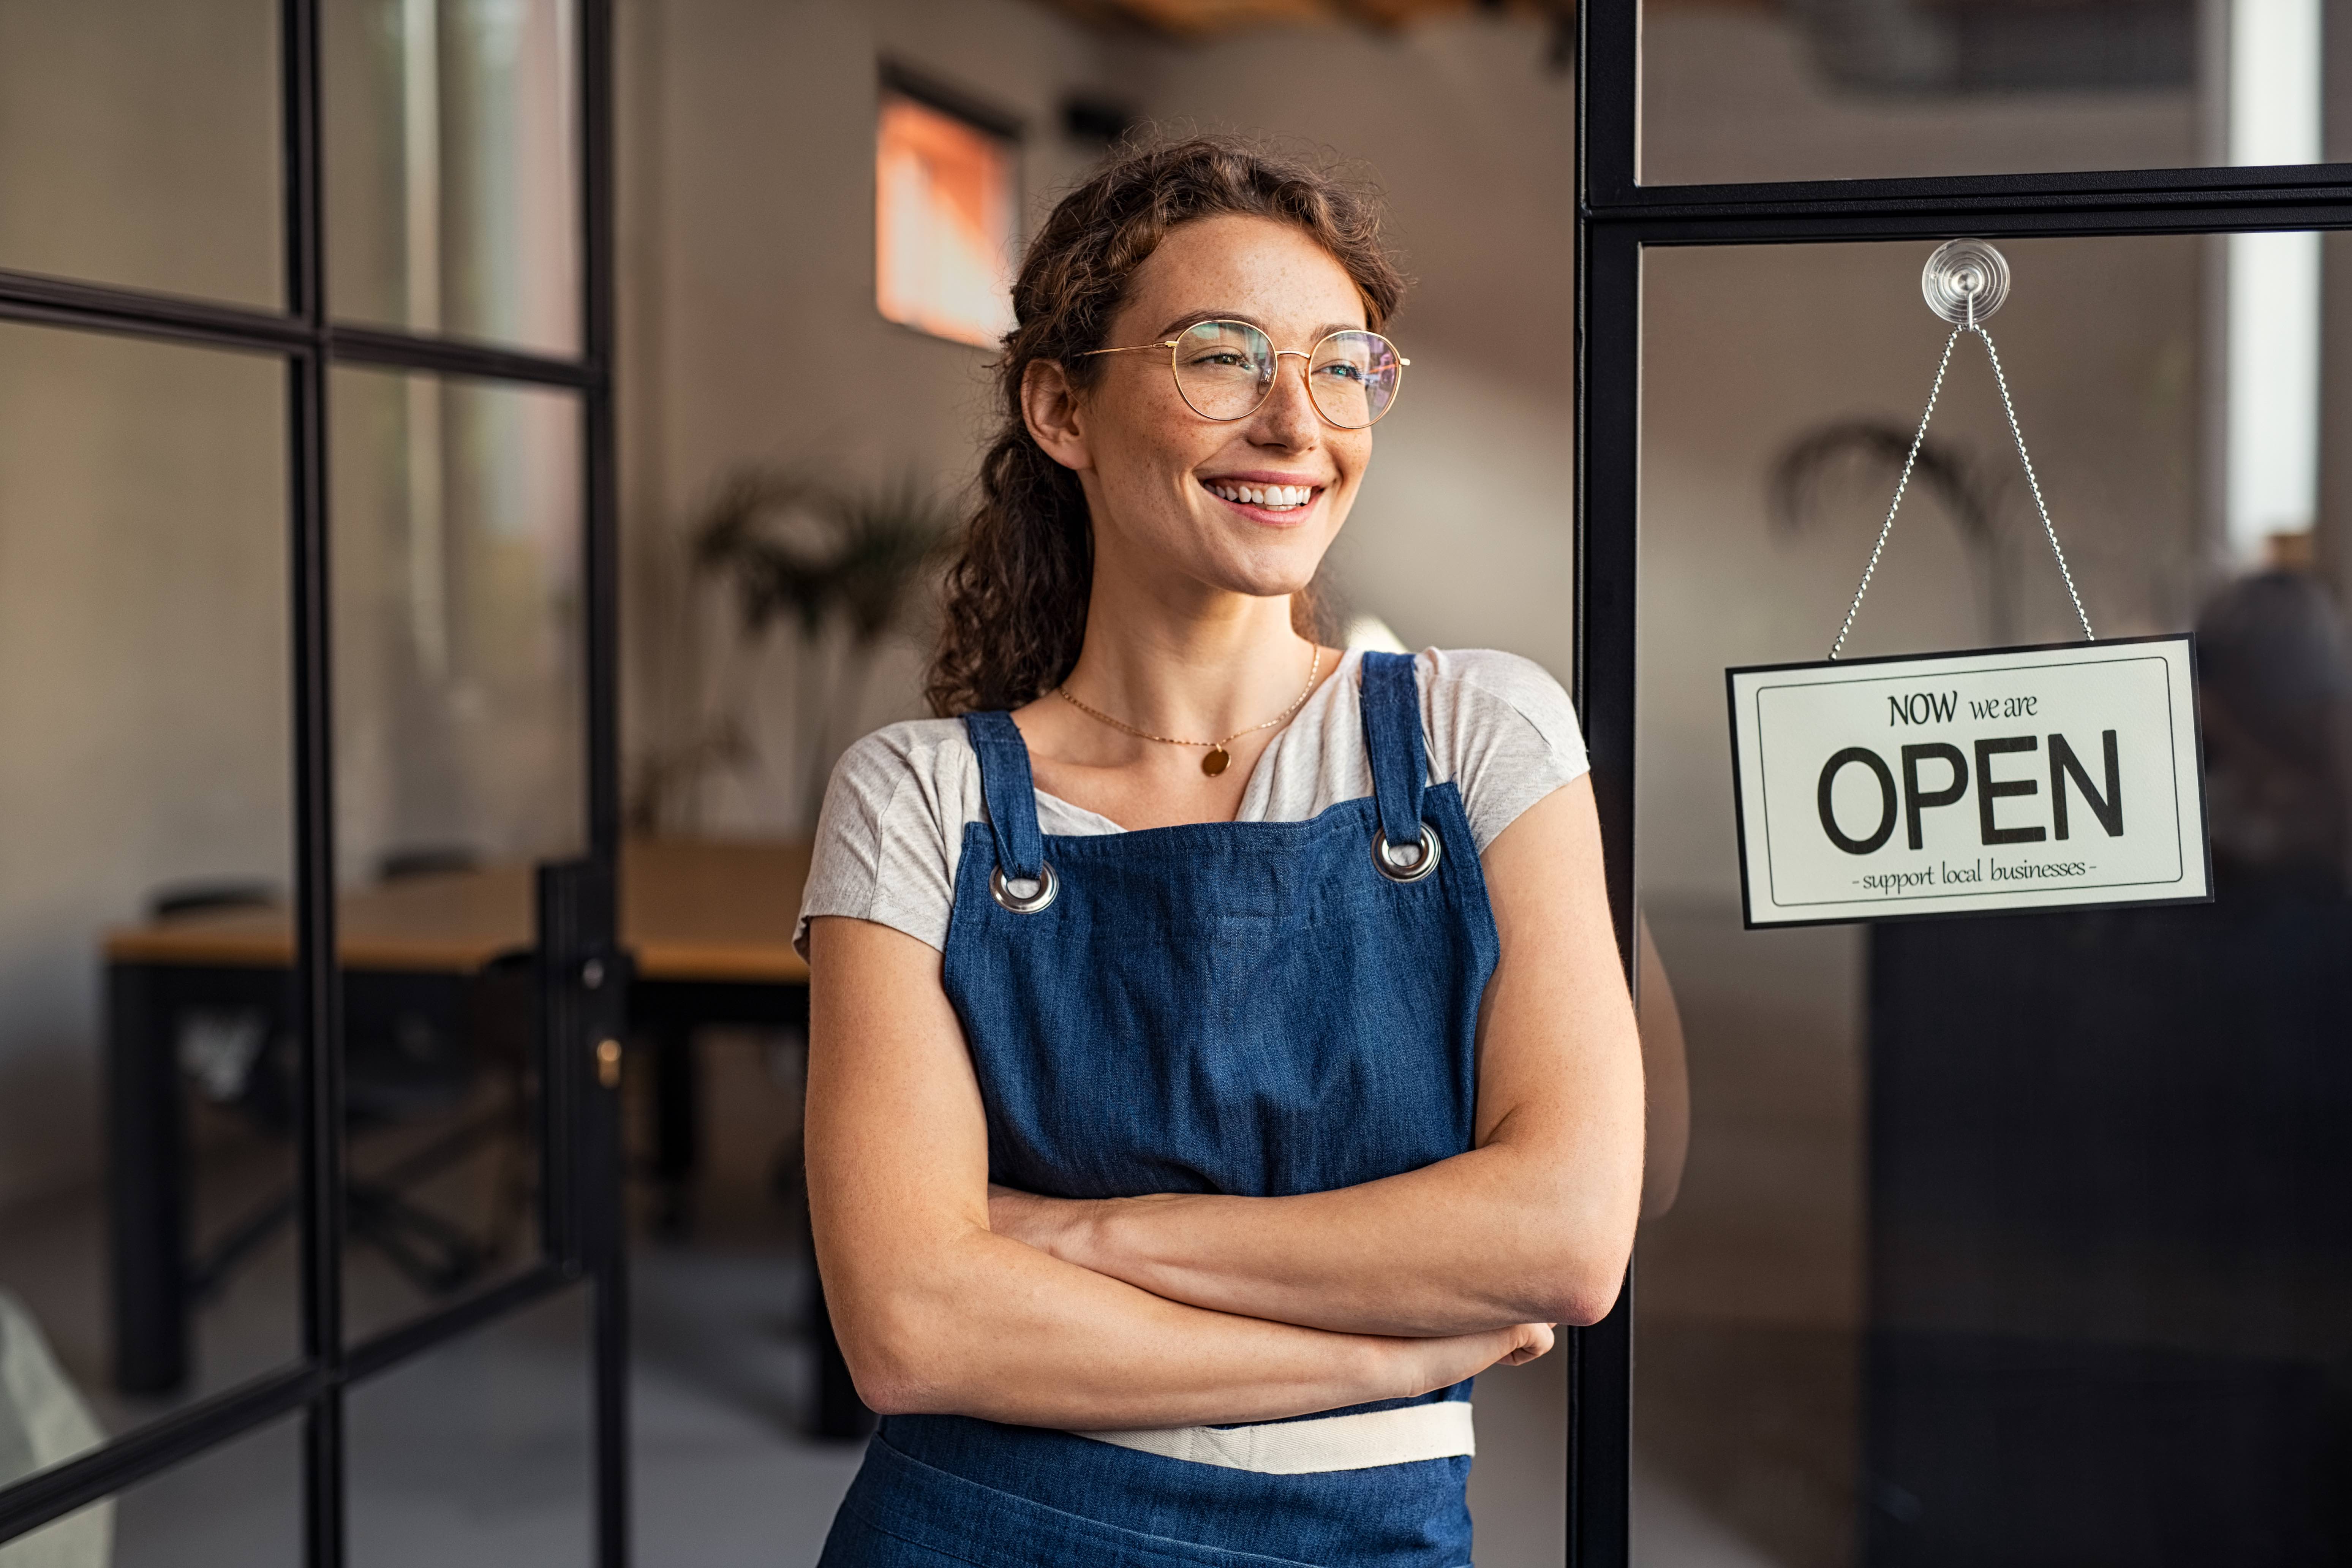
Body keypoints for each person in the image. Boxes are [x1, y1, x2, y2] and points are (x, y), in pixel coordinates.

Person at [797, 135, 1646, 1567]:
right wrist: (1386, 1355)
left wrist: (1083, 1239)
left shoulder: (1478, 736)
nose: (1296, 422)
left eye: (1340, 364)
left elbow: (1562, 1239)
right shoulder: (916, 799)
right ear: (1060, 404)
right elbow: (911, 1328)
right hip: (980, 1527)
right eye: (1222, 357)